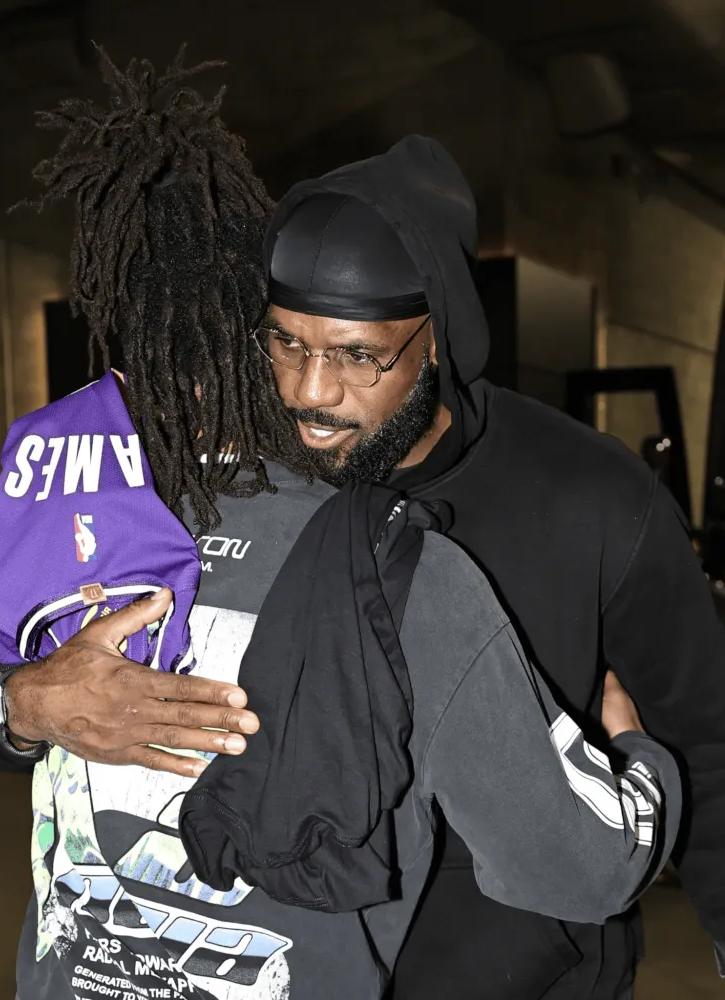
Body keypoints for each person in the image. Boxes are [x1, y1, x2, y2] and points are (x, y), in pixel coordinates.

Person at [0, 50, 680, 1000]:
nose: (316, 383)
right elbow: (577, 871)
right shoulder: (408, 572)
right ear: (271, 331)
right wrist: (641, 763)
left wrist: (23, 708)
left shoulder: (79, 518)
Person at [255, 136, 725, 999]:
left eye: (358, 355)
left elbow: (712, 749)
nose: (309, 392)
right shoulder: (252, 488)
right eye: (286, 343)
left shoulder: (593, 495)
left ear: (441, 335)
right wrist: (15, 708)